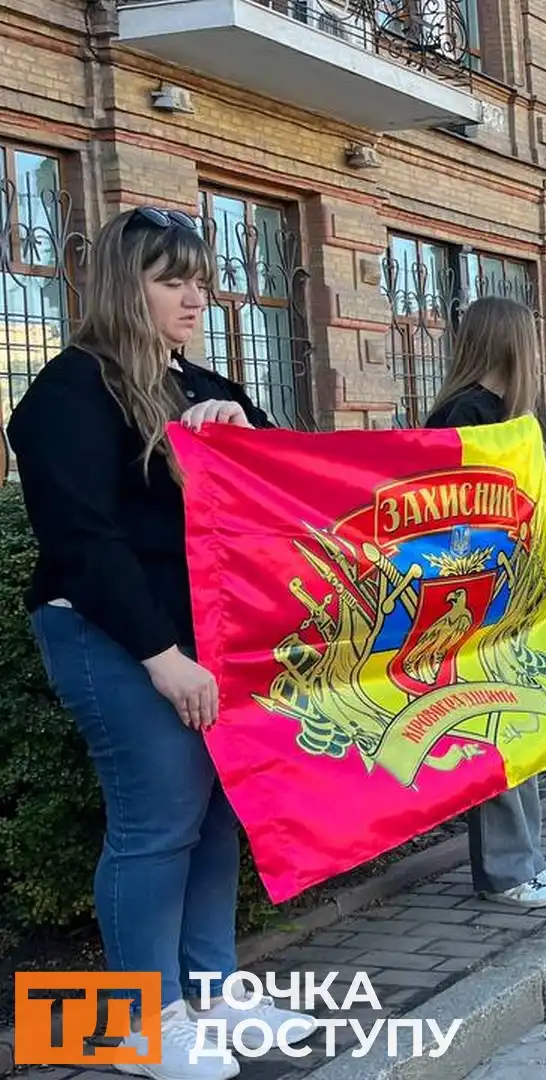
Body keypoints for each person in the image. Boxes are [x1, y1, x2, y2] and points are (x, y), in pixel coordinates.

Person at [7, 206, 318, 1079]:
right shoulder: (67, 393)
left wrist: (248, 439)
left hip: (205, 635)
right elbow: (83, 540)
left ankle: (212, 993)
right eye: (170, 279)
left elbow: (286, 491)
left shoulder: (201, 384)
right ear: (123, 286)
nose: (195, 297)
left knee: (219, 812)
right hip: (112, 632)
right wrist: (162, 656)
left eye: (199, 279)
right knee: (156, 822)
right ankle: (135, 1027)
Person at [422, 295, 546, 909]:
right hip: (491, 604)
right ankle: (507, 870)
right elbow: (466, 516)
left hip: (524, 601)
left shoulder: (508, 414)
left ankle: (528, 859)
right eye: (532, 339)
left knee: (523, 734)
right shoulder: (465, 414)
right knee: (497, 738)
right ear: (511, 345)